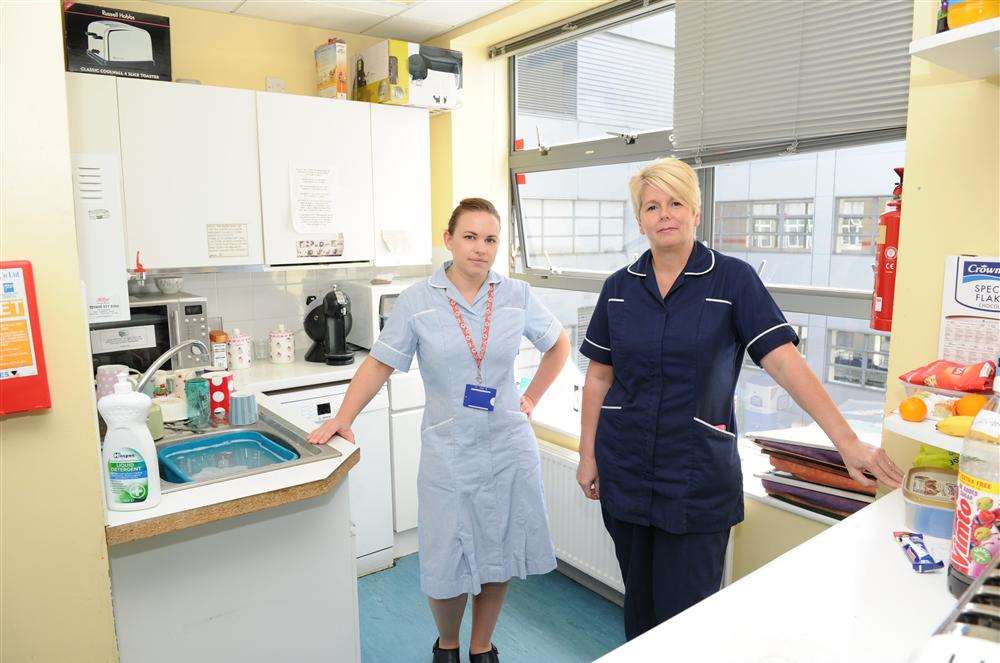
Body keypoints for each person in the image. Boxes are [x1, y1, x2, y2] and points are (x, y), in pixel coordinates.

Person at [576, 158, 903, 640]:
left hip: (695, 477)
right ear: (639, 218)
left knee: (687, 624)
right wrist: (587, 454)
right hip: (625, 469)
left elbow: (785, 363)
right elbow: (599, 378)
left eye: (676, 202)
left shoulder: (732, 280)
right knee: (639, 613)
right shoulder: (619, 289)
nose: (664, 214)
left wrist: (848, 443)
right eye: (652, 205)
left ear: (696, 212)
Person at [309, 198, 570, 663]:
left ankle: (482, 645)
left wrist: (530, 399)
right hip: (449, 450)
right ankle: (447, 644)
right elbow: (379, 362)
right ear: (448, 240)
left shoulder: (515, 295)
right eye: (470, 236)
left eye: (490, 239)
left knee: (499, 548)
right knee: (446, 555)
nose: (480, 248)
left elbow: (558, 345)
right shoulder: (418, 300)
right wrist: (342, 417)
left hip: (508, 445)